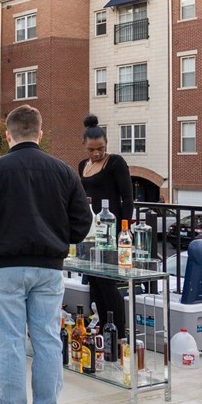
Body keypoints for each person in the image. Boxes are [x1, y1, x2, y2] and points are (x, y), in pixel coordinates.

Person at [0, 105, 92, 404]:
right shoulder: (64, 172)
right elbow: (82, 223)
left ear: (8, 136)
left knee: (11, 340)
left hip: (4, 267)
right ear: (40, 132)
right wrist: (58, 237)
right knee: (47, 338)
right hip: (48, 267)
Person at [78, 114, 134, 338]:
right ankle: (104, 327)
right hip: (91, 230)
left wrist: (125, 228)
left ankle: (119, 334)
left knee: (108, 283)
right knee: (94, 281)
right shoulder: (83, 165)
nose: (96, 153)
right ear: (84, 146)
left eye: (100, 148)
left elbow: (127, 197)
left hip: (112, 231)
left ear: (106, 144)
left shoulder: (115, 162)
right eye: (91, 149)